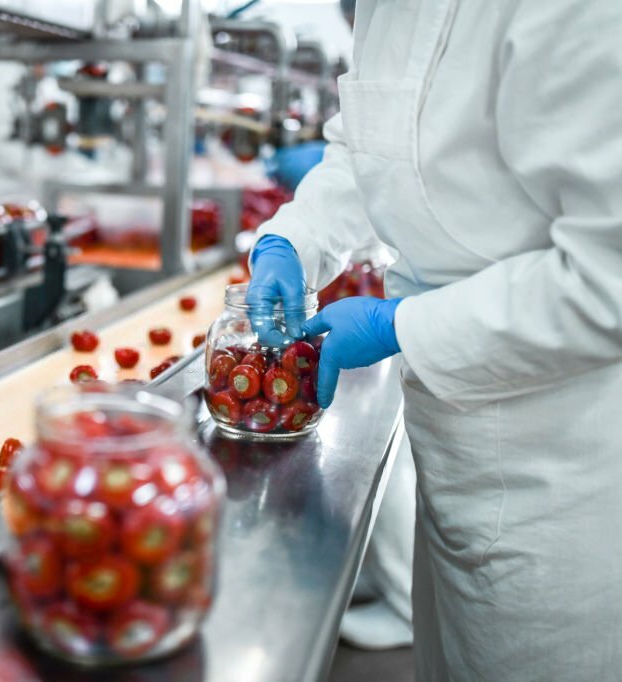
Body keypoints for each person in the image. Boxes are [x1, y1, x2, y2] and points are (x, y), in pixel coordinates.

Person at [247, 1, 622, 679]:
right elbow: (368, 148)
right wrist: (293, 239)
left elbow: (608, 276)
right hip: (452, 439)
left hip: (564, 464)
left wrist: (402, 324)